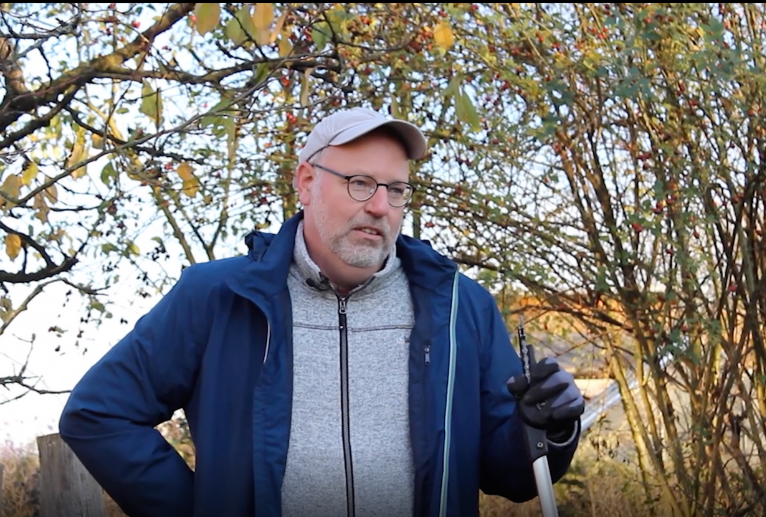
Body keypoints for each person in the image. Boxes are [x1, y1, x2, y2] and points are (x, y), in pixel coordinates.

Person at [59, 107, 585, 517]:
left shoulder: (458, 307)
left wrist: (546, 429)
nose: (380, 206)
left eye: (396, 190)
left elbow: (511, 476)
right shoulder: (220, 298)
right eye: (359, 183)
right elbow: (98, 414)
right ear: (307, 182)